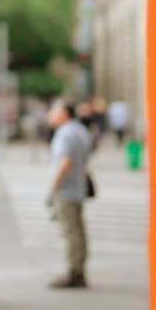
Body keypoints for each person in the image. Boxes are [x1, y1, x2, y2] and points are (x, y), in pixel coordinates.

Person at [46, 101, 94, 288]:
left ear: (65, 113)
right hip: (78, 186)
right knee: (78, 230)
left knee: (70, 232)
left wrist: (53, 187)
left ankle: (74, 272)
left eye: (54, 111)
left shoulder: (65, 133)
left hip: (66, 190)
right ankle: (79, 267)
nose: (51, 115)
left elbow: (65, 161)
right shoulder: (81, 130)